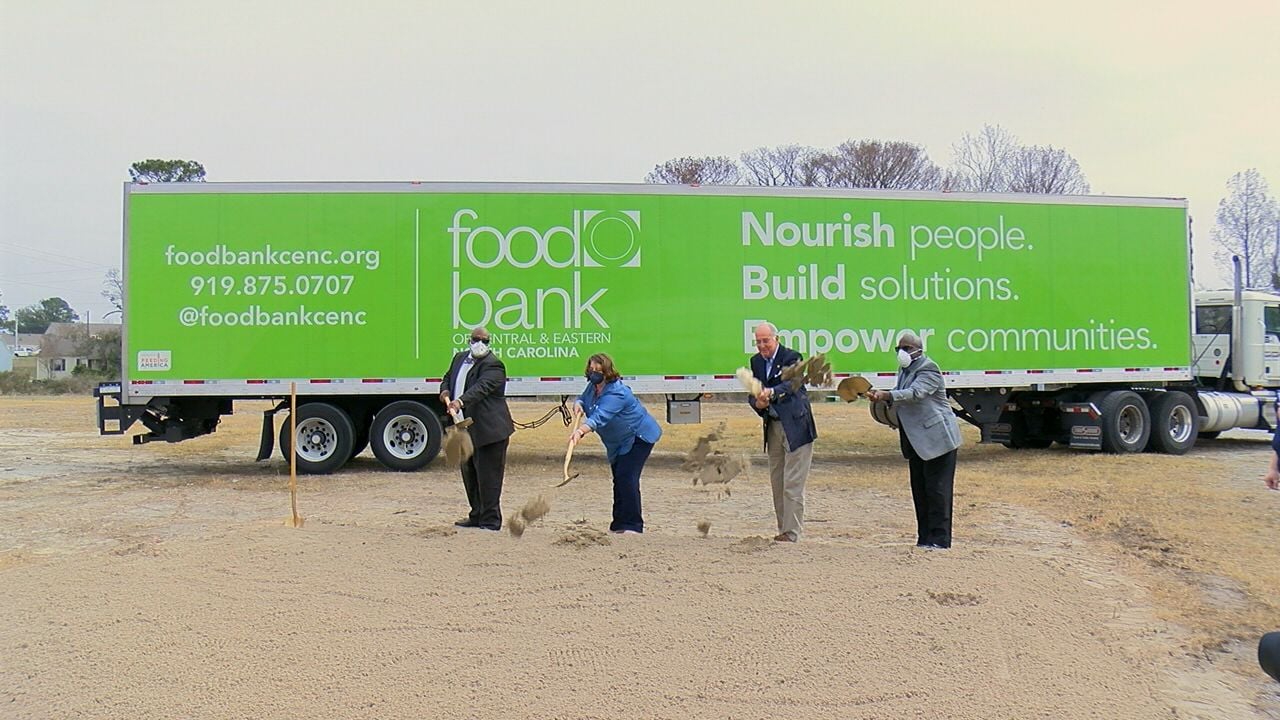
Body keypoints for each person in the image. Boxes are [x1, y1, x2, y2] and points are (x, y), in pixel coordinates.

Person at [867, 331, 962, 549]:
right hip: (916, 441)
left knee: (937, 491)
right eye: (899, 348)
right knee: (920, 490)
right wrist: (880, 397)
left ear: (919, 349)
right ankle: (924, 538)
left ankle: (940, 540)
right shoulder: (904, 370)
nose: (902, 352)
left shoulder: (929, 368)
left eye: (907, 348)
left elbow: (916, 393)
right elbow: (902, 394)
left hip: (938, 440)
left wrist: (888, 396)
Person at [569, 353, 663, 534]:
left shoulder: (618, 392)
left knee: (627, 478)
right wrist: (578, 403)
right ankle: (619, 524)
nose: (593, 373)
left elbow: (600, 416)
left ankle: (633, 525)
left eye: (598, 370)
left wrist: (580, 431)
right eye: (591, 369)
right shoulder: (592, 387)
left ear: (607, 371)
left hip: (638, 436)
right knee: (619, 479)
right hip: (616, 442)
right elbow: (583, 398)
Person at [747, 322, 816, 542]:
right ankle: (782, 529)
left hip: (796, 425)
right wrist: (757, 403)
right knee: (777, 481)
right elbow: (754, 391)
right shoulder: (756, 362)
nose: (761, 346)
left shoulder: (792, 357)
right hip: (773, 426)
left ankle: (792, 532)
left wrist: (771, 392)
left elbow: (792, 384)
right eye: (758, 341)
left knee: (793, 482)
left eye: (765, 341)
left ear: (775, 339)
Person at [440, 327, 514, 531]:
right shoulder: (459, 358)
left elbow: (481, 388)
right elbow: (447, 377)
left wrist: (459, 402)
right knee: (469, 473)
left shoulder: (494, 365)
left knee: (488, 475)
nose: (480, 343)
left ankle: (491, 520)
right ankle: (476, 514)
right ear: (469, 340)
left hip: (489, 430)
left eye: (485, 340)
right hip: (463, 427)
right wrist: (445, 391)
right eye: (476, 339)